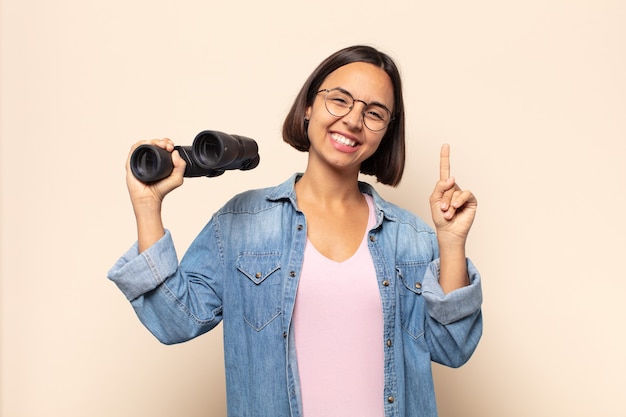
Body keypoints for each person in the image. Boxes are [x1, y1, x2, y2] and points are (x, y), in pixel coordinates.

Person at [108, 45, 482, 417]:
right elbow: (175, 321)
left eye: (374, 113)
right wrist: (147, 206)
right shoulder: (243, 223)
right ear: (309, 106)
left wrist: (450, 244)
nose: (353, 121)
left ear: (386, 132)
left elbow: (452, 347)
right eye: (340, 100)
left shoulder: (411, 239)